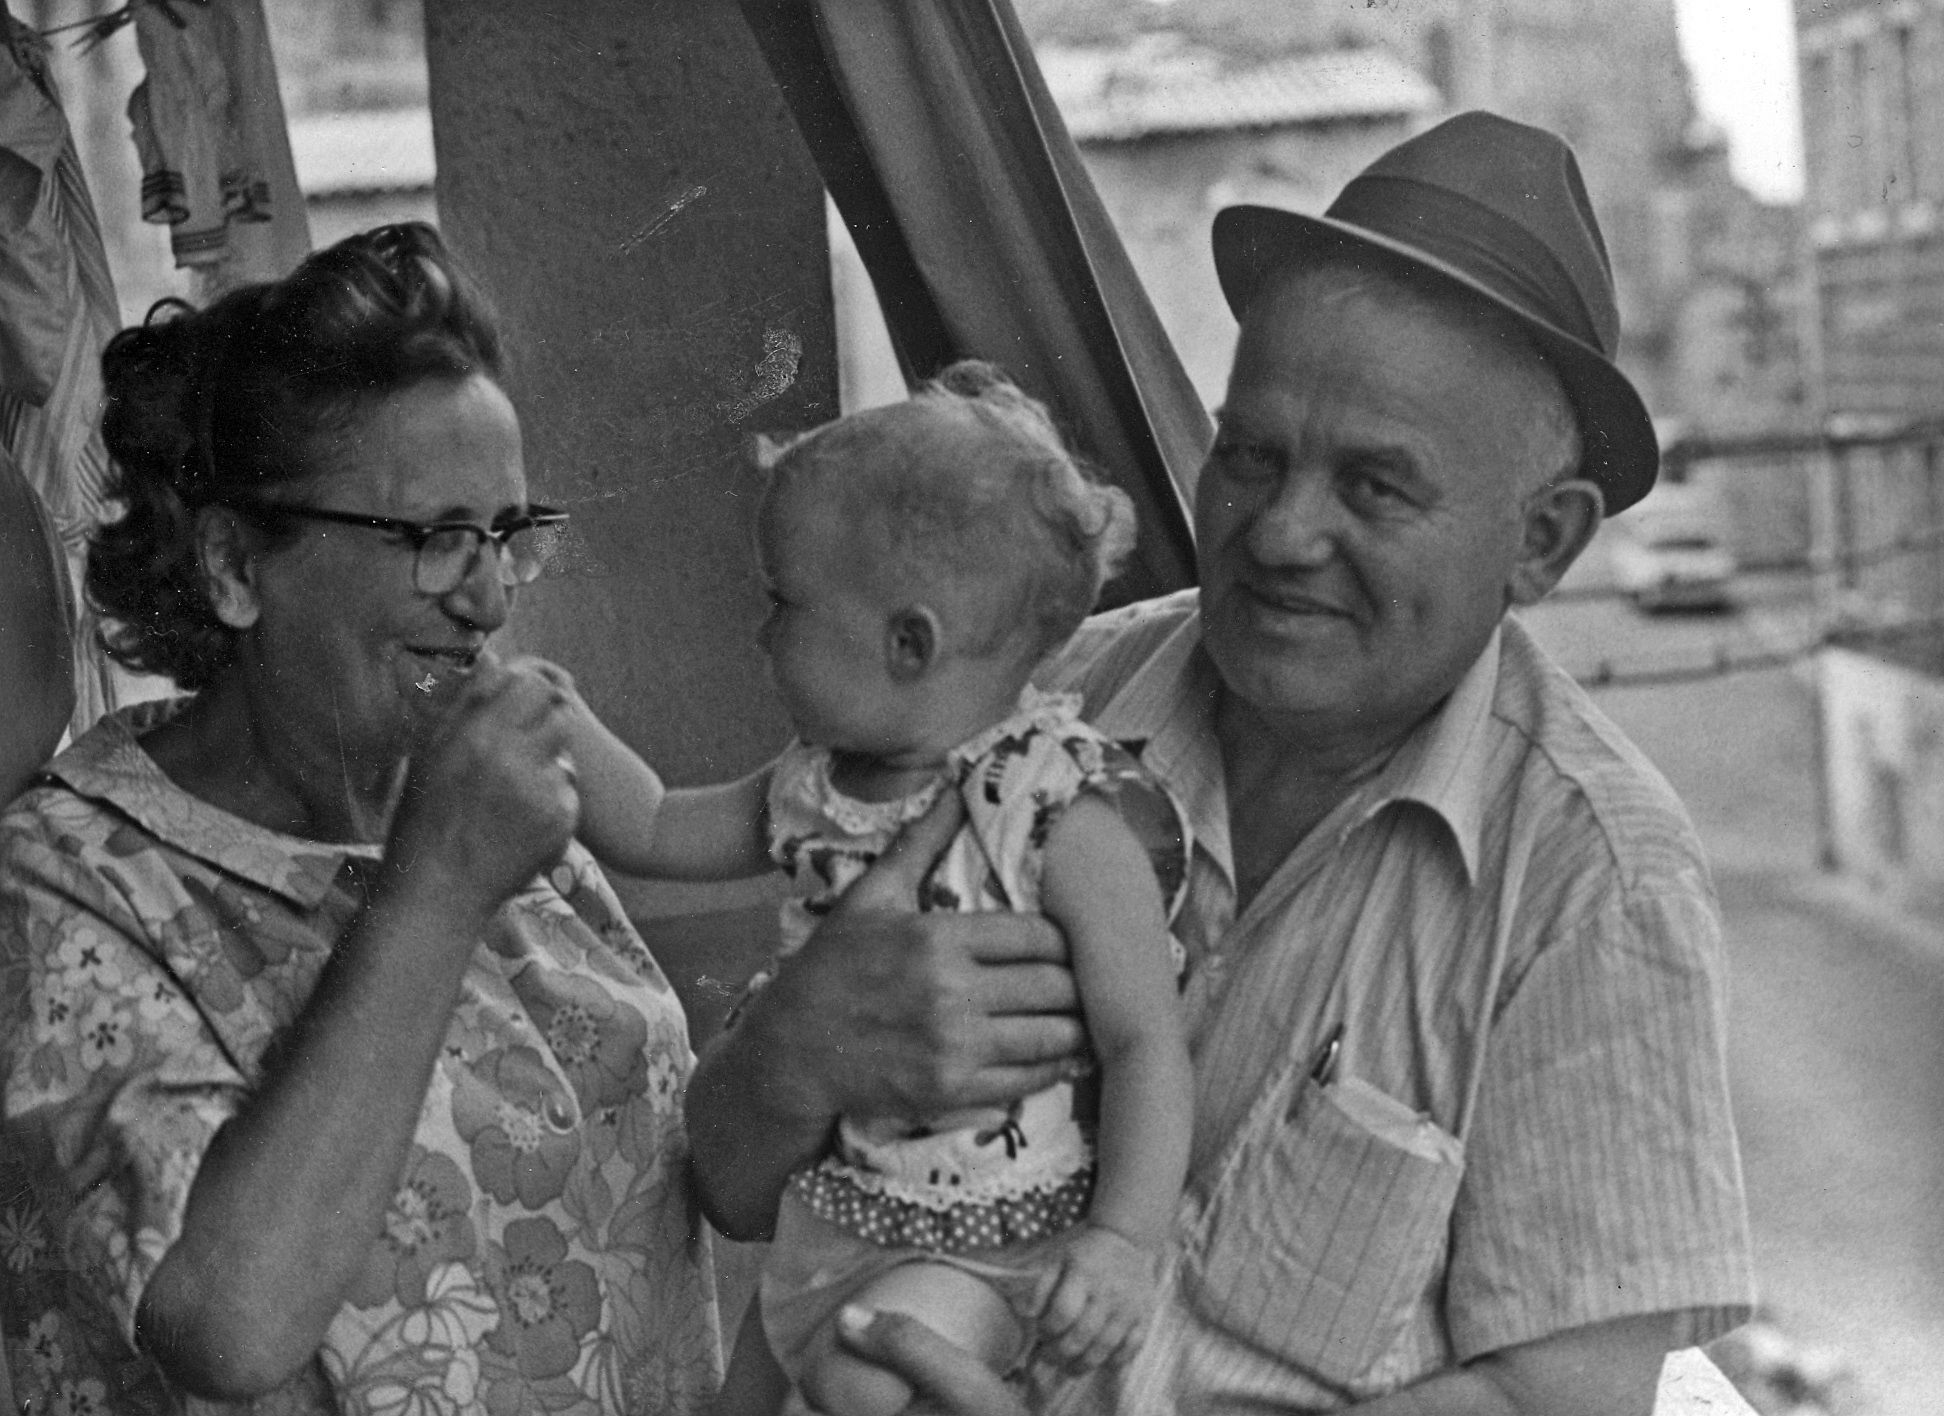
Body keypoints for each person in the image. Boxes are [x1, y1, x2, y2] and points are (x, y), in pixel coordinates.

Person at [686, 112, 1755, 1414]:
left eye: (1374, 486)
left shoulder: (1593, 886)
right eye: (1250, 453)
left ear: (1544, 542)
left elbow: (1564, 1402)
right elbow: (727, 1184)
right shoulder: (1031, 703)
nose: (1281, 532)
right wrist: (789, 1057)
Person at [0, 224, 722, 1416]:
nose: (489, 597)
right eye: (434, 539)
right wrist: (435, 888)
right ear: (234, 565)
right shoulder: (64, 890)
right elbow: (229, 1328)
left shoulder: (500, 817)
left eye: (504, 535)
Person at [547, 364, 1194, 1414]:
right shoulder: (812, 784)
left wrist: (1123, 1243)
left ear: (910, 643)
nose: (759, 636)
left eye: (782, 603)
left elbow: (1144, 1041)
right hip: (839, 1222)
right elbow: (659, 825)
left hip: (989, 1246)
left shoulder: (1054, 810)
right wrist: (559, 721)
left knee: (858, 1384)